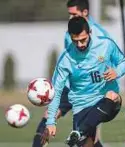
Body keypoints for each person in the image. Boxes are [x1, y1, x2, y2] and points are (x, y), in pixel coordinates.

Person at [32, 0, 112, 146]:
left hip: (89, 92)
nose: (70, 18)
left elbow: (109, 66)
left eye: (73, 14)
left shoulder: (101, 36)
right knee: (49, 115)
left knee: (88, 140)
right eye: (69, 14)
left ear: (85, 12)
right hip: (69, 85)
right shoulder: (70, 32)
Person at [45, 16, 125, 147]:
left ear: (90, 33)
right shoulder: (65, 60)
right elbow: (57, 91)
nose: (80, 45)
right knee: (87, 144)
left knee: (112, 96)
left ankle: (80, 132)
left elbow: (124, 63)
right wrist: (50, 121)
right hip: (82, 107)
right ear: (70, 37)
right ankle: (81, 132)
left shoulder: (106, 44)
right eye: (75, 41)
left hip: (107, 101)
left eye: (83, 40)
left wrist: (117, 71)